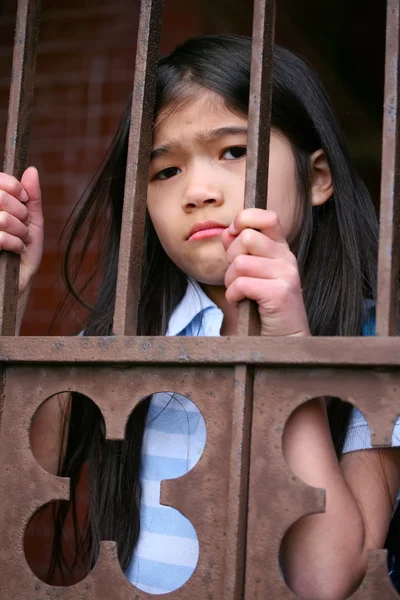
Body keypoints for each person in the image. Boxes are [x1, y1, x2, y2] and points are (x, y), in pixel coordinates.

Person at [0, 34, 399, 600]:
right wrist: (7, 306)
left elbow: (326, 578)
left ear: (317, 179)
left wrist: (285, 350)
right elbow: (24, 472)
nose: (198, 192)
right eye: (165, 171)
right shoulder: (128, 331)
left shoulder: (370, 343)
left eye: (233, 152)